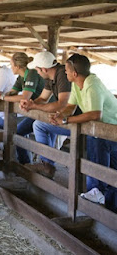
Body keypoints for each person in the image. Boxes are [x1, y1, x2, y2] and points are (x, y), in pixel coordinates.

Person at [49, 53, 117, 208]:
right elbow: (71, 107)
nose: (65, 73)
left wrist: (66, 120)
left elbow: (95, 114)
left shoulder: (92, 85)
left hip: (111, 129)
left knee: (100, 157)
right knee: (111, 168)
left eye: (66, 70)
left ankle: (97, 190)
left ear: (74, 73)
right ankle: (109, 206)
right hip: (103, 130)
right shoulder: (77, 84)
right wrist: (60, 115)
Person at [19, 51, 80, 177]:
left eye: (37, 69)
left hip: (77, 120)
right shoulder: (51, 77)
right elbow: (43, 98)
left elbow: (62, 104)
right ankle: (47, 164)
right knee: (44, 124)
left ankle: (47, 164)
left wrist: (35, 106)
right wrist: (30, 103)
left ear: (44, 69)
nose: (37, 72)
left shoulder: (62, 75)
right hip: (68, 117)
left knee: (38, 125)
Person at [0, 52, 45, 164]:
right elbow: (12, 93)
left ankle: (31, 164)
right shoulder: (21, 77)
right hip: (37, 112)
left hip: (44, 111)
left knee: (26, 135)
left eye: (11, 65)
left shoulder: (32, 73)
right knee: (20, 133)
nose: (11, 67)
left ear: (18, 66)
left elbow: (25, 97)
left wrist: (2, 97)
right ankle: (26, 164)